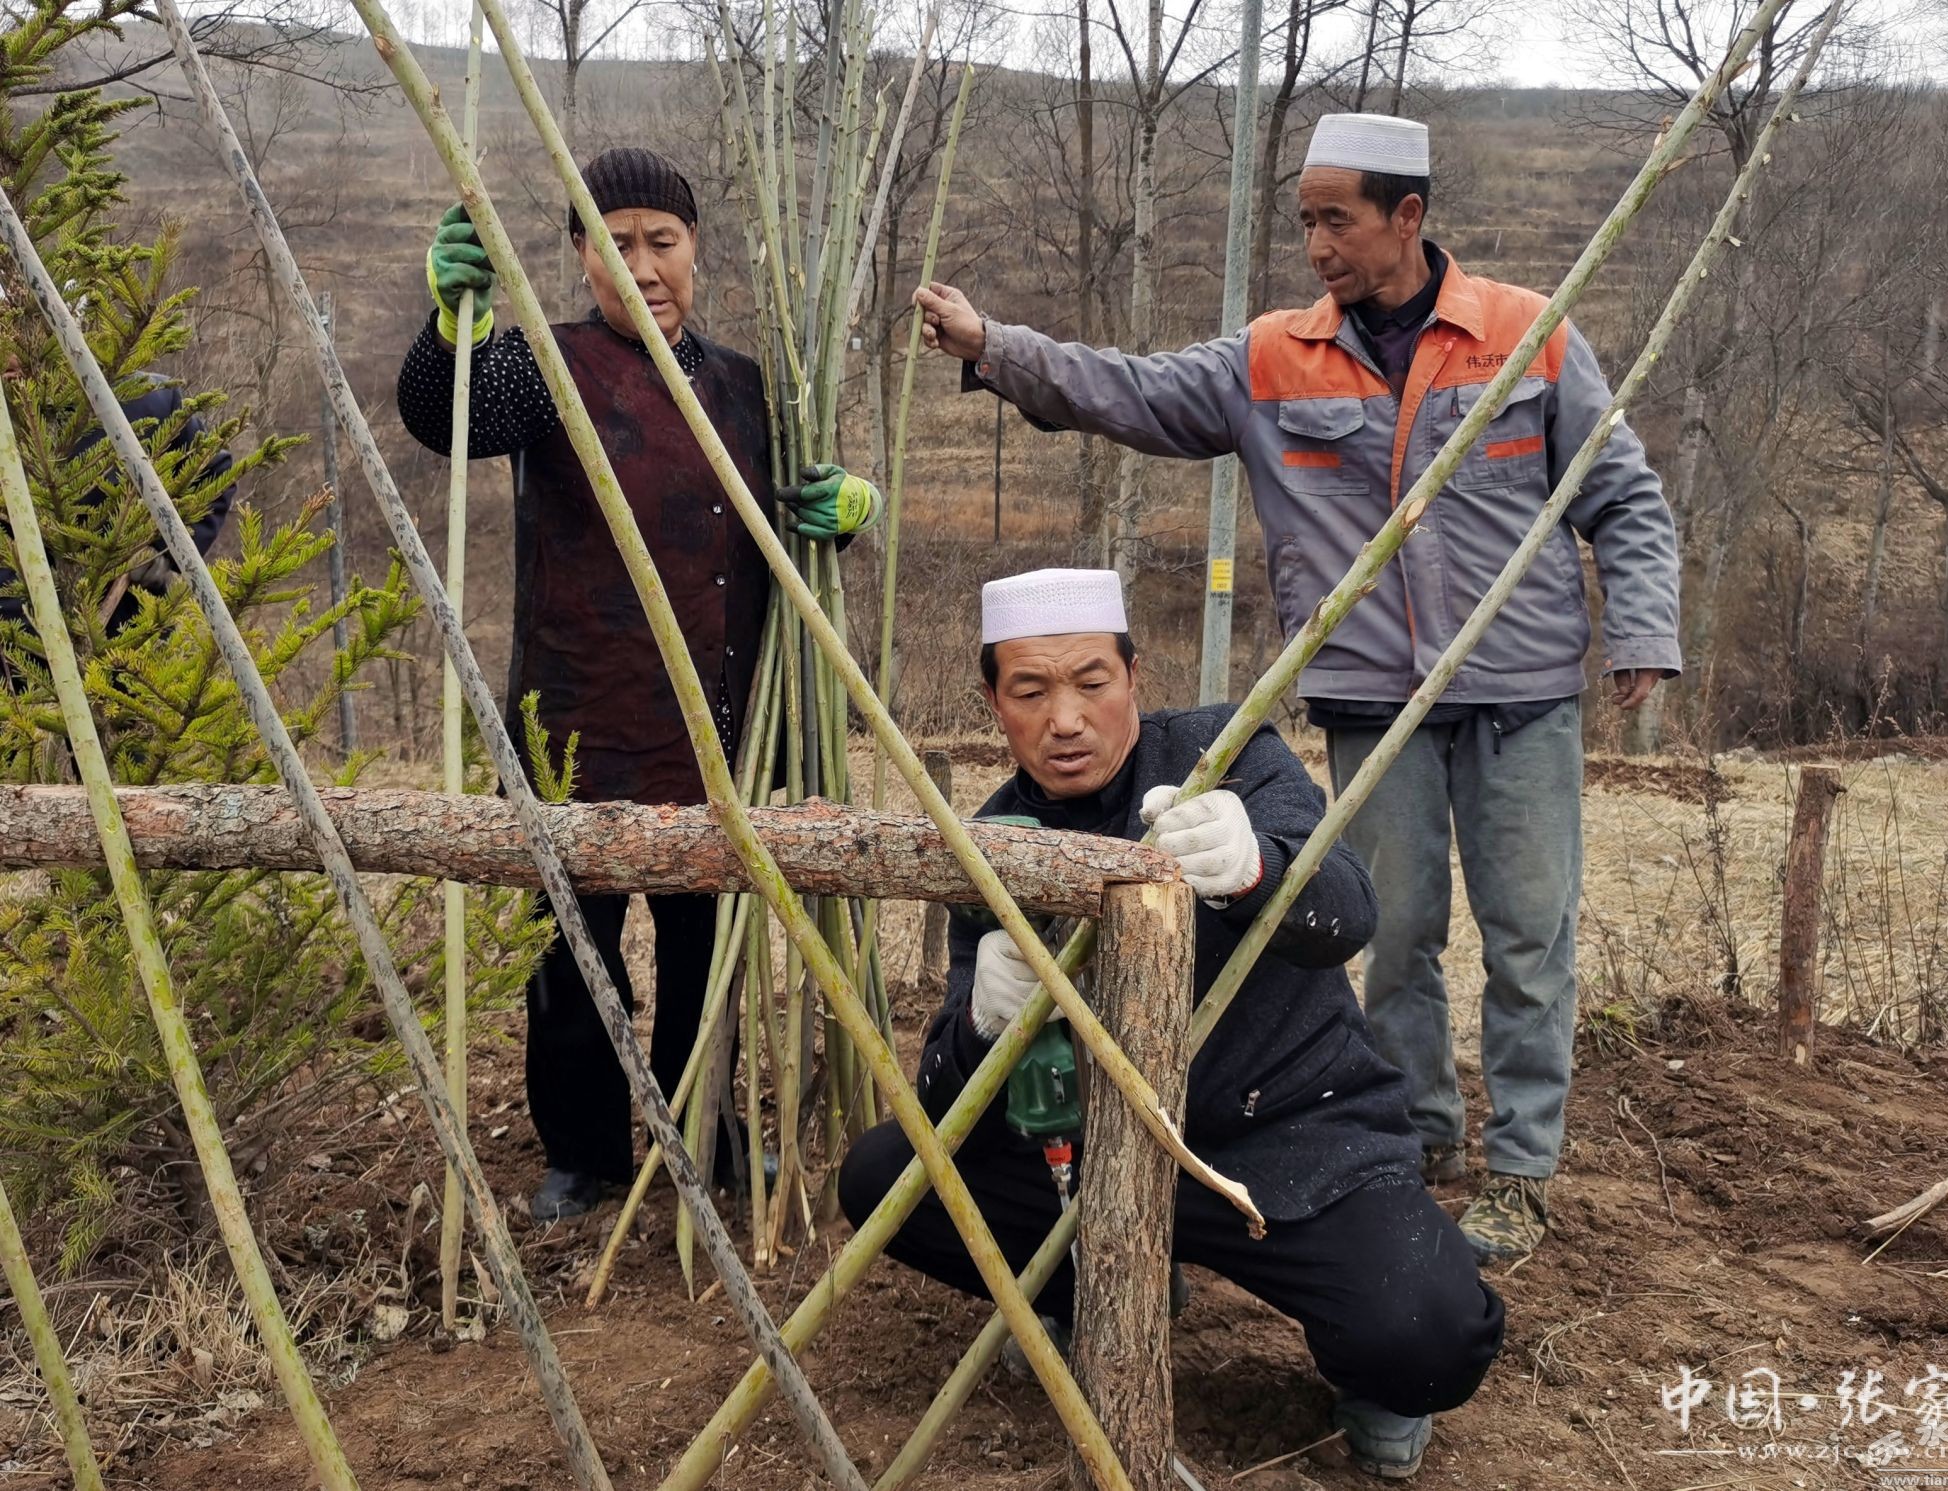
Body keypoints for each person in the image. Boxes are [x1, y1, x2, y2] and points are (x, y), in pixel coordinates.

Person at [912, 114, 1681, 1264]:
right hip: (1373, 703)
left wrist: (1642, 629)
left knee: (1529, 937)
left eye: (1336, 219)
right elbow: (1128, 391)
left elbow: (1621, 495)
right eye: (1304, 220)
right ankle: (1418, 1137)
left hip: (1519, 693)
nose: (1315, 245)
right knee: (1396, 933)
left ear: (1405, 215)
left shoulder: (1528, 337)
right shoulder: (1272, 356)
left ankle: (1520, 1171)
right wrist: (995, 348)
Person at [837, 568, 1503, 1481]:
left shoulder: (1225, 754)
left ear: (1134, 677)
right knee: (886, 1177)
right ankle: (1093, 1284)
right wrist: (985, 1023)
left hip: (1289, 1137)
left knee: (1429, 1332)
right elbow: (947, 1096)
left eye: (1092, 682)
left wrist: (1258, 866)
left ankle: (1376, 1375)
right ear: (993, 704)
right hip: (1095, 1155)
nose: (1065, 719)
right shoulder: (987, 840)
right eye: (1029, 692)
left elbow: (1350, 910)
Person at [396, 146, 881, 1222]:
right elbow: (445, 416)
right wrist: (452, 328)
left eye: (663, 241)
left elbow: (797, 508)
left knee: (706, 951)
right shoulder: (546, 363)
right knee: (574, 956)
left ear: (695, 247)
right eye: (614, 244)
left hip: (713, 726)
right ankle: (583, 1152)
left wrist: (850, 507)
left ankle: (703, 1132)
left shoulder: (746, 386)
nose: (643, 266)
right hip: (578, 723)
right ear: (579, 255)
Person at [0, 377, 236, 641]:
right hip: (18, 640)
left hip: (129, 639)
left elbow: (214, 475)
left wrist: (162, 550)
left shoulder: (148, 399)